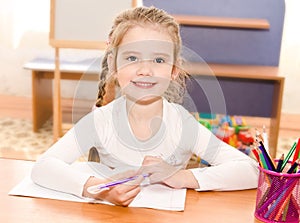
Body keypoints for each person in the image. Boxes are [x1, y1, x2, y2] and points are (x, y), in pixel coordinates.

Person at [31, 6, 258, 207]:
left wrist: (180, 177)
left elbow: (250, 170)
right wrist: (100, 190)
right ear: (113, 63)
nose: (145, 70)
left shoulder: (182, 124)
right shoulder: (100, 121)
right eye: (132, 58)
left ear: (173, 70)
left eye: (158, 60)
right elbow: (43, 167)